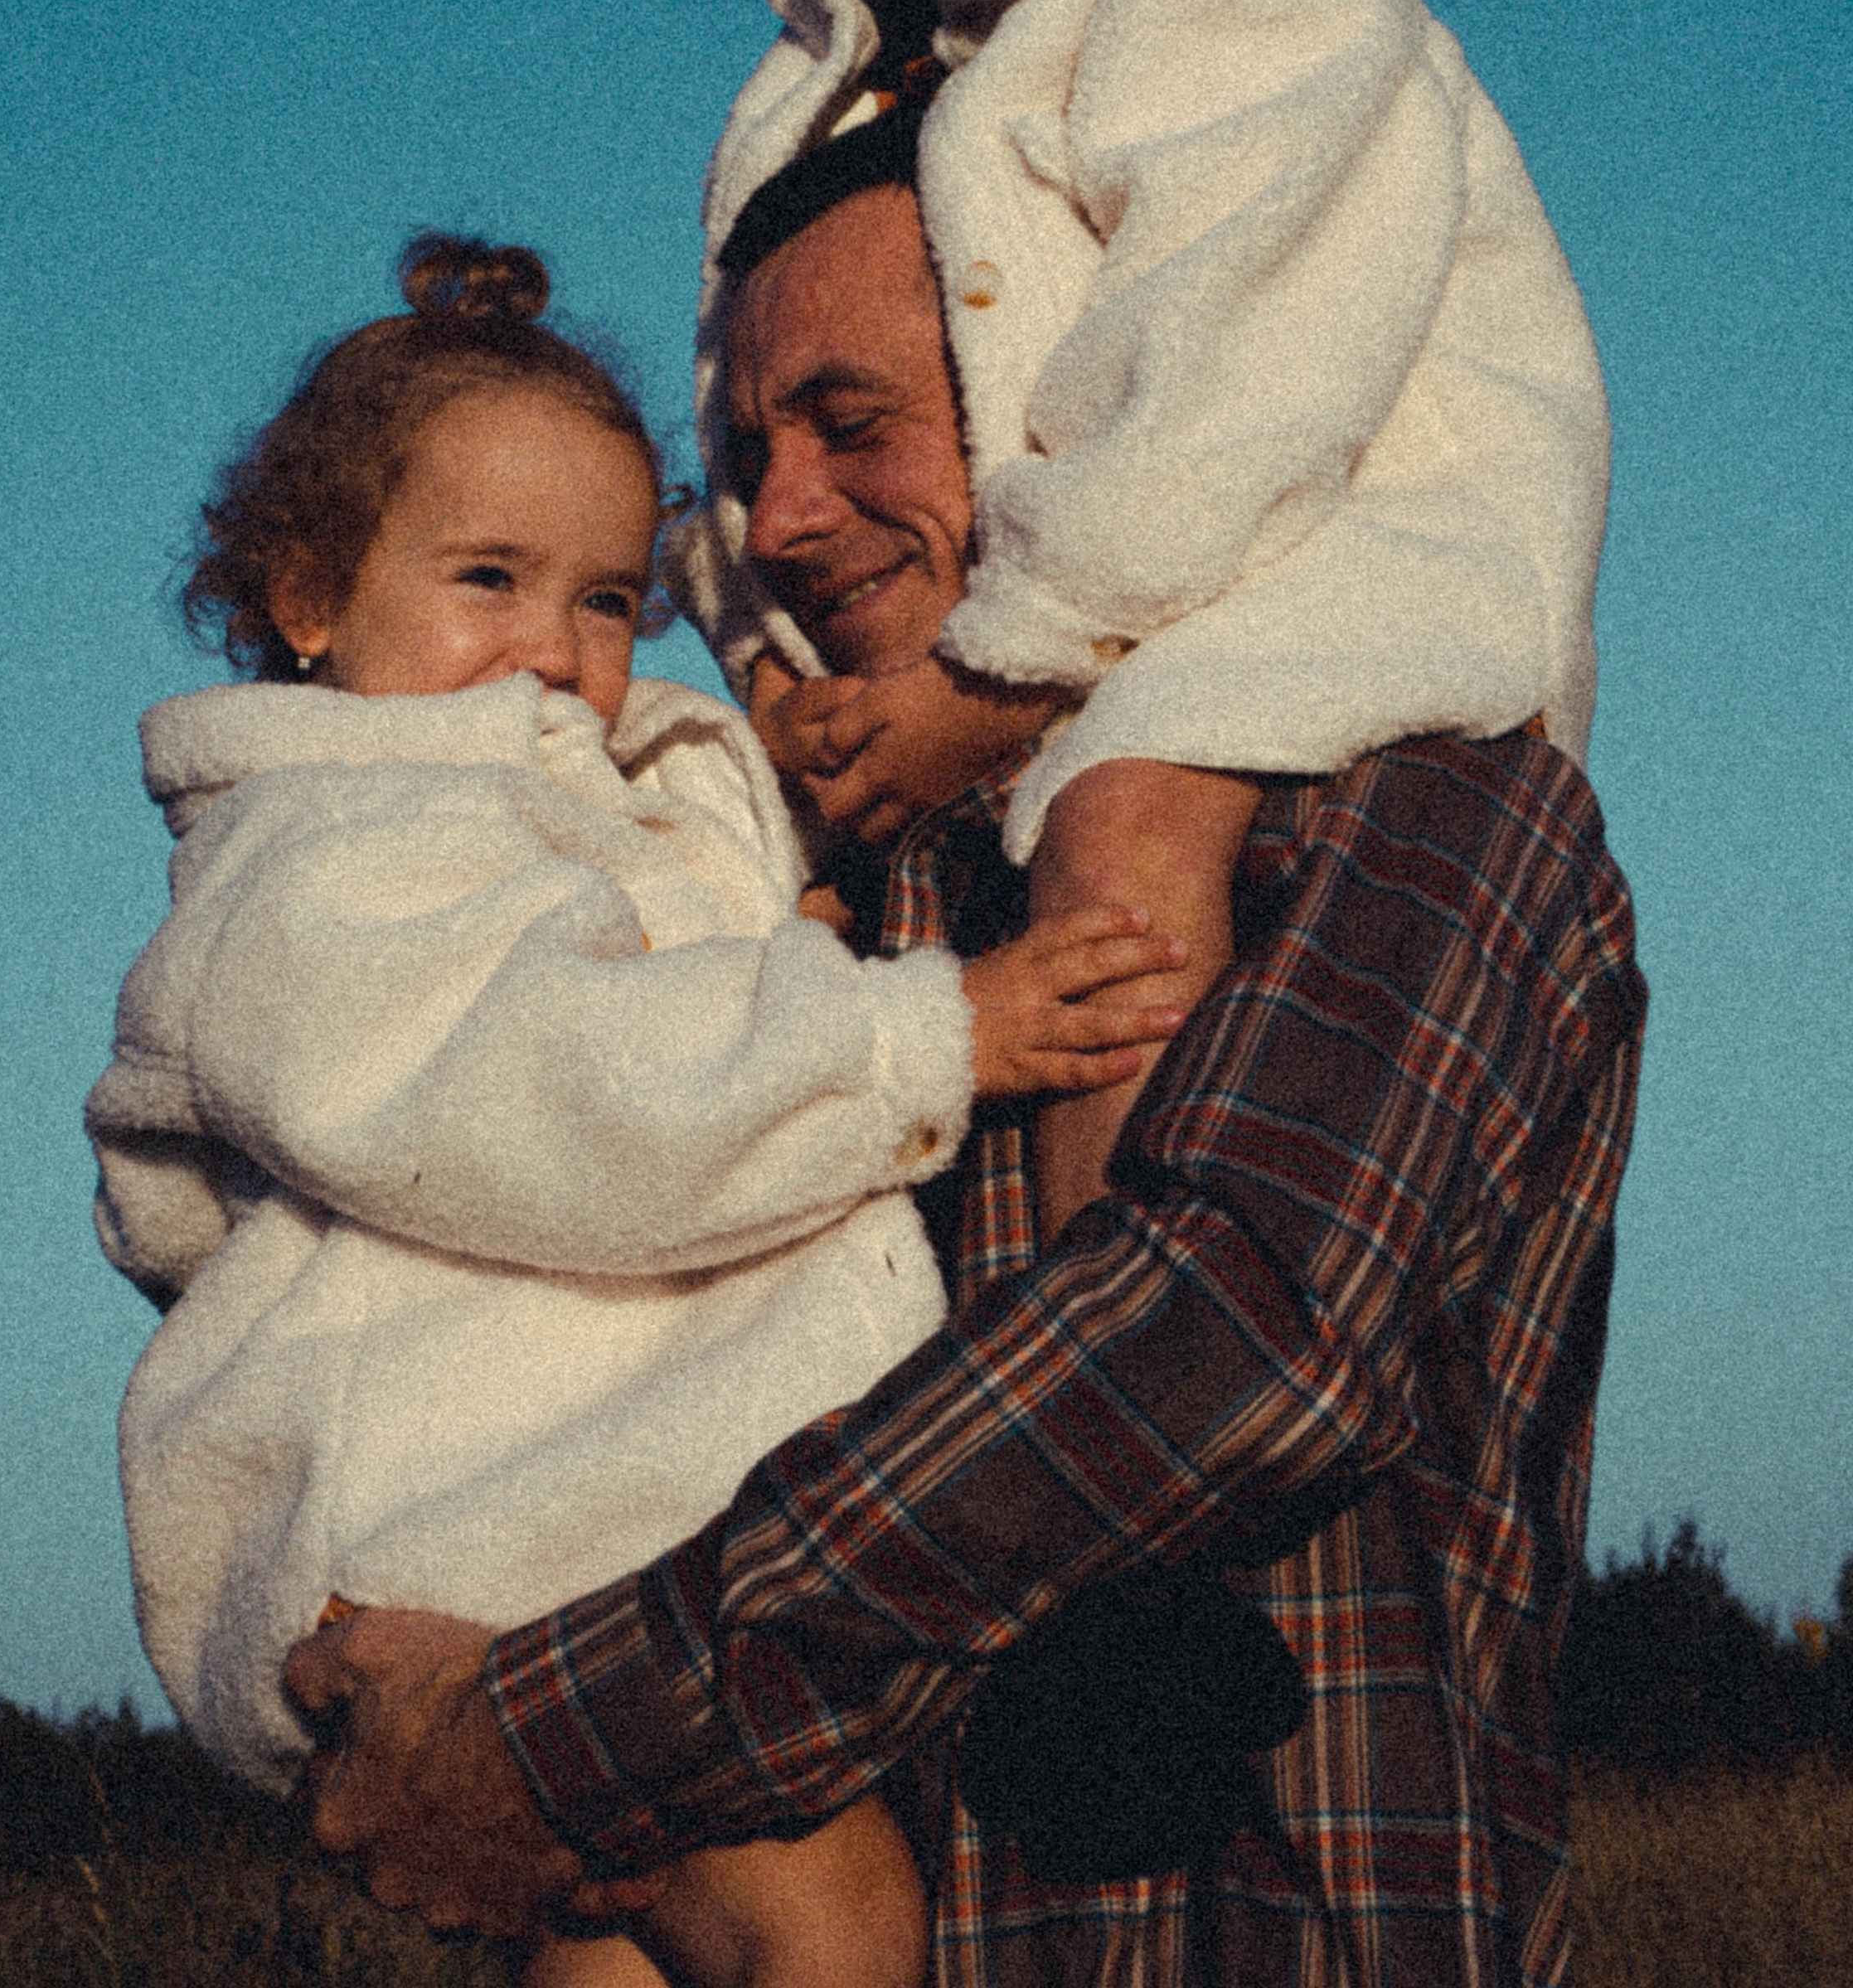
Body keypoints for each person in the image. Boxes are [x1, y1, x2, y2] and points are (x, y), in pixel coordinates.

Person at [283, 165, 1644, 1988]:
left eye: (853, 428)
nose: (776, 520)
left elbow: (1232, 1340)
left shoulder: (1411, 799)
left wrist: (549, 1736)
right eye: (749, 456)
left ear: (1072, 414)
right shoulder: (783, 895)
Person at [88, 230, 1186, 1988]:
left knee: (623, 1963)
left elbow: (589, 1019)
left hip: (572, 1536)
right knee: (829, 1932)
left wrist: (759, 944)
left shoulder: (557, 810)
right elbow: (541, 1084)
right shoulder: (323, 862)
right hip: (470, 1530)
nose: (552, 649)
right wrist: (907, 1041)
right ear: (304, 596)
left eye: (603, 597)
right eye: (487, 578)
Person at [679, 0, 1612, 1230]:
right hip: (1140, 571)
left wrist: (993, 672)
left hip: (1344, 529)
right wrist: (779, 689)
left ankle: (1102, 1296)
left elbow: (1239, 355)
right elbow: (741, 429)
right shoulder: (808, 95)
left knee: (1124, 820)